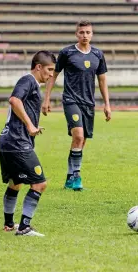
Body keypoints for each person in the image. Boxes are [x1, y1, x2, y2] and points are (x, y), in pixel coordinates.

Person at [42, 20, 111, 191]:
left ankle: (70, 178)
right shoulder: (67, 52)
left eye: (88, 32)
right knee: (78, 136)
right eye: (82, 32)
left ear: (92, 34)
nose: (85, 35)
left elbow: (102, 81)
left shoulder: (98, 54)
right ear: (76, 34)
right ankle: (77, 178)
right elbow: (53, 76)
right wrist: (46, 99)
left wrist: (107, 105)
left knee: (80, 142)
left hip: (89, 103)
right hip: (71, 100)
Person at [0, 51, 56, 236]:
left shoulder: (32, 83)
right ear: (38, 67)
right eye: (49, 69)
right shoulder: (28, 80)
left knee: (16, 182)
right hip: (17, 142)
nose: (51, 74)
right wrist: (30, 125)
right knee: (40, 184)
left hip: (8, 140)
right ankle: (24, 227)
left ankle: (9, 224)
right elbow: (14, 100)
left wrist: (31, 124)